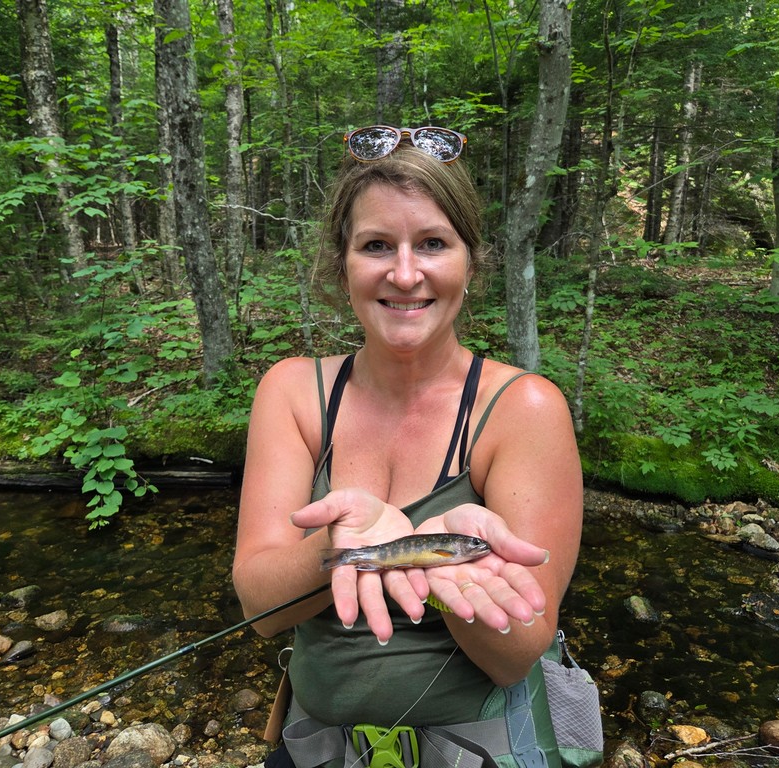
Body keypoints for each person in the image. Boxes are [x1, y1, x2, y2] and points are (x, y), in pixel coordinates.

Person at [232, 126, 585, 768]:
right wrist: (341, 547)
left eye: (432, 243)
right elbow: (260, 609)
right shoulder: (293, 393)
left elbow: (516, 655)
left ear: (470, 262)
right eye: (375, 245)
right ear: (341, 264)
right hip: (318, 745)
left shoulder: (524, 408)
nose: (403, 273)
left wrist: (445, 577)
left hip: (477, 748)